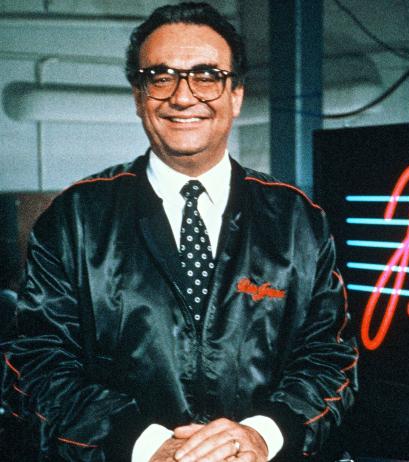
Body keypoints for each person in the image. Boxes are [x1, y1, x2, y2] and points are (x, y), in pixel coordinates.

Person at [0, 3, 358, 461]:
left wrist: (261, 436)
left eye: (207, 76)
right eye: (160, 77)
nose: (183, 97)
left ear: (236, 95)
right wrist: (148, 445)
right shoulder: (75, 219)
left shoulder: (296, 220)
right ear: (138, 96)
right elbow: (36, 363)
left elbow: (330, 357)